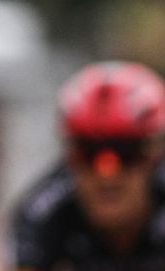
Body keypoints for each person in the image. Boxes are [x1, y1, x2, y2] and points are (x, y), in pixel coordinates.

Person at [10, 61, 165, 270]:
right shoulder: (42, 212)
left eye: (126, 152)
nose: (107, 171)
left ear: (155, 155)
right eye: (88, 152)